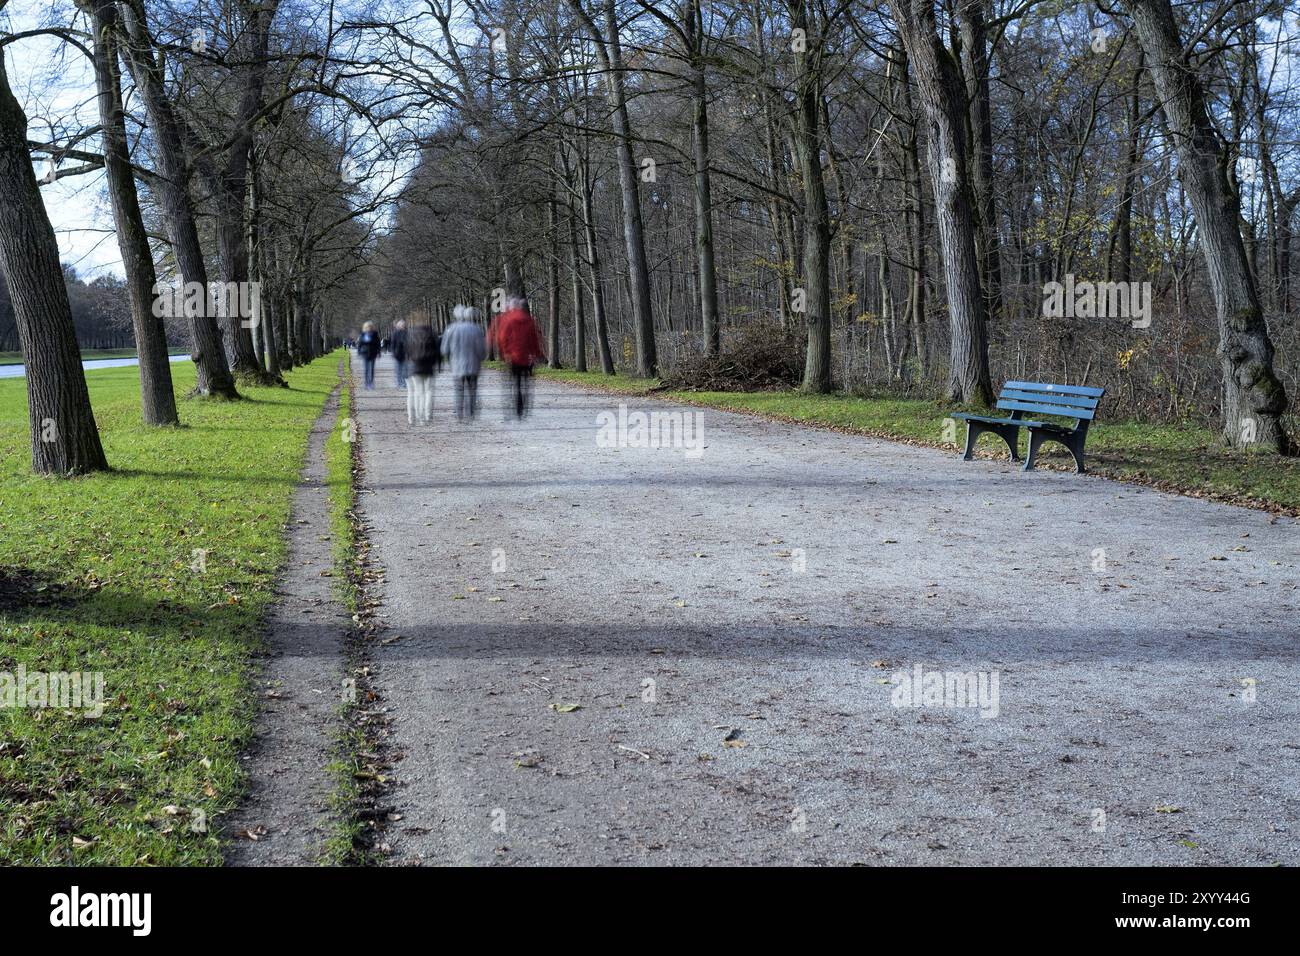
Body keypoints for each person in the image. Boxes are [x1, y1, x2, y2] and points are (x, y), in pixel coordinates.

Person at [490, 297, 545, 418]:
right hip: (526, 357)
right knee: (525, 382)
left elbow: (502, 338)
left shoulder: (508, 320)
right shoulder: (530, 320)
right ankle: (522, 407)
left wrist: (504, 353)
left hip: (512, 357)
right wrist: (537, 354)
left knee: (514, 382)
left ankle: (514, 406)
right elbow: (535, 340)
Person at [442, 305, 487, 420]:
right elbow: (482, 350)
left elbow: (444, 349)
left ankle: (459, 413)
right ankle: (471, 413)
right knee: (472, 389)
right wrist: (481, 358)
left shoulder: (451, 329)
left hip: (457, 365)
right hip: (473, 365)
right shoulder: (476, 329)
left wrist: (450, 359)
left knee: (459, 389)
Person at [405, 323, 440, 425]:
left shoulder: (411, 336)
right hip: (429, 368)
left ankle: (417, 417)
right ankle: (427, 416)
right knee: (429, 392)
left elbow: (407, 353)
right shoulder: (432, 336)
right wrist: (437, 365)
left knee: (417, 392)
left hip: (414, 368)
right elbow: (437, 353)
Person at [356, 321, 380, 389]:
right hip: (365, 353)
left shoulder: (375, 334)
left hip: (373, 353)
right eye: (368, 327)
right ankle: (366, 383)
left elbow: (378, 344)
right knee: (366, 369)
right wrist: (359, 353)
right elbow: (359, 344)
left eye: (370, 327)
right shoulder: (362, 334)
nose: (369, 328)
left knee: (372, 369)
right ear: (365, 327)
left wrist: (379, 353)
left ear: (372, 327)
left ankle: (371, 382)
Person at [390, 319, 409, 388]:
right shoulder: (395, 333)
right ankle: (399, 383)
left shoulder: (407, 333)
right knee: (398, 370)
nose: (403, 326)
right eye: (401, 325)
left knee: (405, 370)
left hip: (405, 354)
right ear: (398, 326)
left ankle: (404, 383)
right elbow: (392, 344)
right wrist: (393, 352)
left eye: (404, 325)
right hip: (397, 354)